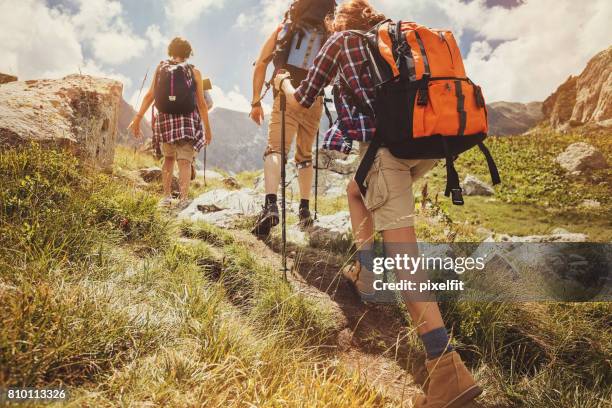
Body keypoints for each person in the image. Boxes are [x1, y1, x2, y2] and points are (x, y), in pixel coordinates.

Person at [273, 1, 482, 407]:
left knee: (404, 258)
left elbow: (302, 98)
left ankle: (446, 370)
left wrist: (281, 80)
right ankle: (368, 272)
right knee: (356, 191)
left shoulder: (342, 42)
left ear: (340, 22)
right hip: (426, 145)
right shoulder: (395, 39)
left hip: (387, 153)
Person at [249, 0, 335, 235]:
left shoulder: (285, 28)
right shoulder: (331, 33)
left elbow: (261, 63)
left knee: (275, 150)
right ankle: (305, 211)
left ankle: (270, 205)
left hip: (287, 94)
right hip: (314, 100)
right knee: (304, 155)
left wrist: (256, 101)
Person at [128, 37, 212, 208]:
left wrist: (137, 118)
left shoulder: (161, 68)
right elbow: (202, 104)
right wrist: (208, 130)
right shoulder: (194, 72)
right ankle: (183, 200)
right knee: (184, 161)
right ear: (189, 53)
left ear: (170, 51)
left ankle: (166, 197)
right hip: (187, 121)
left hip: (165, 119)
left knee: (168, 159)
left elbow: (150, 95)